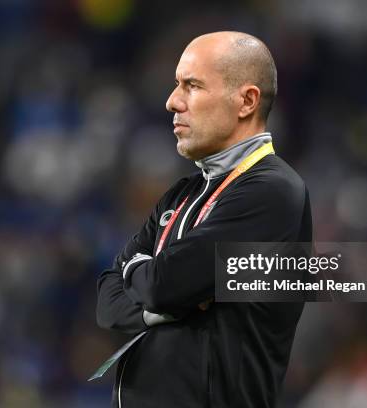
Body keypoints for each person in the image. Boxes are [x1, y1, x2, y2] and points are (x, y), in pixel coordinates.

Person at [96, 31, 312, 408]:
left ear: (246, 101)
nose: (172, 102)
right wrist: (161, 299)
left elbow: (164, 283)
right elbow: (108, 301)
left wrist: (147, 278)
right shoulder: (181, 194)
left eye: (191, 85)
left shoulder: (273, 192)